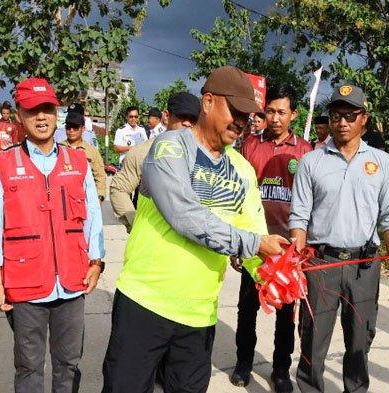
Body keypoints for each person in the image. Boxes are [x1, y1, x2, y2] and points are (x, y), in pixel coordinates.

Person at [101, 66, 288, 393]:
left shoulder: (242, 171)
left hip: (199, 314)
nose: (241, 122)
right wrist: (254, 243)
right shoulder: (170, 147)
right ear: (208, 102)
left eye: (247, 115)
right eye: (235, 111)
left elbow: (253, 231)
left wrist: (278, 273)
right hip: (145, 303)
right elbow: (185, 216)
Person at [0, 77, 105, 393]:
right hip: (25, 281)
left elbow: (93, 217)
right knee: (29, 365)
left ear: (56, 112)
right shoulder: (3, 164)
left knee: (69, 363)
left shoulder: (78, 161)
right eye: (32, 110)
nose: (41, 117)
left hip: (72, 279)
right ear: (19, 115)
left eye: (47, 109)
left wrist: (96, 261)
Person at [289, 84, 389, 393]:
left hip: (364, 267)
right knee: (313, 339)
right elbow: (299, 219)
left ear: (364, 119)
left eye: (350, 116)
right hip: (320, 263)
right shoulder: (311, 162)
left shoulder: (382, 163)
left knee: (359, 340)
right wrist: (297, 268)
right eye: (337, 115)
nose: (342, 122)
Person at [235, 84, 312, 392]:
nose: (276, 118)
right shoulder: (250, 145)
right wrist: (237, 242)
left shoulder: (305, 151)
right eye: (270, 111)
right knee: (246, 309)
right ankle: (243, 362)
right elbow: (237, 193)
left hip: (287, 249)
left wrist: (303, 244)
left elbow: (310, 201)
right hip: (254, 244)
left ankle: (281, 370)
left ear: (293, 114)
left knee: (285, 315)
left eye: (282, 112)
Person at [109, 92, 200, 232]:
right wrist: (135, 225)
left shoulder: (205, 154)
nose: (187, 123)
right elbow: (119, 188)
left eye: (193, 119)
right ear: (167, 115)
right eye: (182, 117)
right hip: (152, 243)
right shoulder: (145, 151)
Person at [59, 110, 107, 201]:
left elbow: (99, 175)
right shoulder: (58, 149)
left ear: (83, 129)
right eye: (68, 127)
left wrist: (100, 197)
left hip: (85, 198)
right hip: (62, 198)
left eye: (75, 127)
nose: (71, 130)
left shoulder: (91, 152)